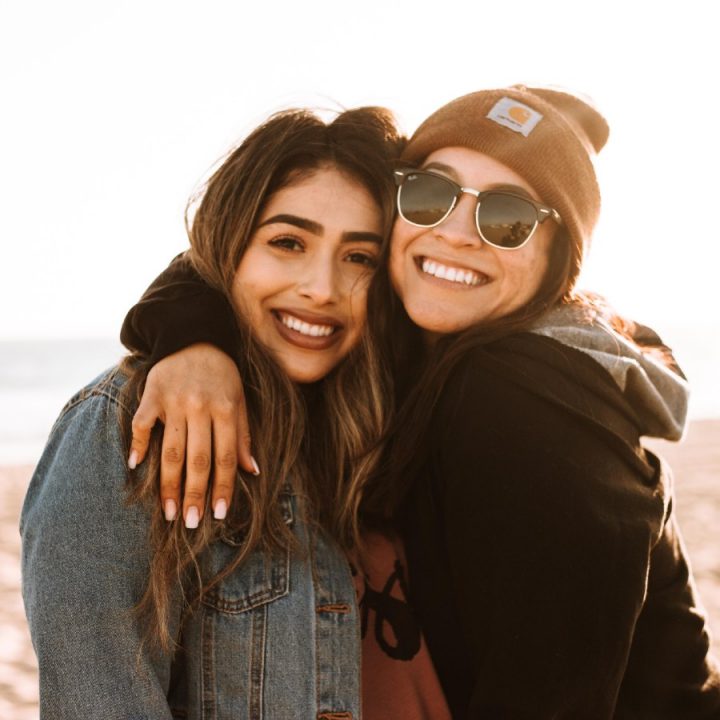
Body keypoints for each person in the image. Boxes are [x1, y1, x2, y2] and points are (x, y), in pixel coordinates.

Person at [119, 85, 720, 718]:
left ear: (557, 260)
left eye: (507, 217)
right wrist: (196, 340)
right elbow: (235, 247)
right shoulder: (416, 336)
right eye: (432, 195)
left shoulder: (528, 403)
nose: (457, 234)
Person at [21, 106, 454, 719]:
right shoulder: (127, 426)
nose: (322, 288)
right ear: (229, 246)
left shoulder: (376, 421)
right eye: (287, 242)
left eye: (359, 257)